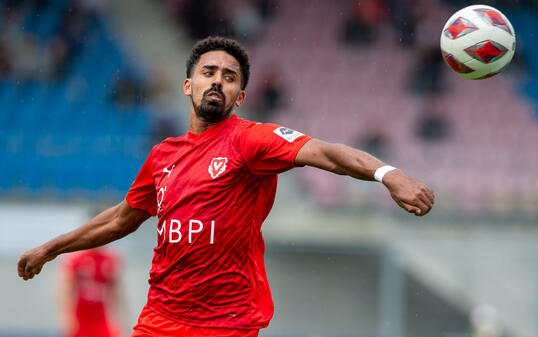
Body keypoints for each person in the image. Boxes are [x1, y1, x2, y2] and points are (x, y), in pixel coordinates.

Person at [18, 36, 434, 337]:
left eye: (229, 77)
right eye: (208, 72)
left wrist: (389, 175)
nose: (218, 81)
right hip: (160, 319)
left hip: (226, 323)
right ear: (188, 85)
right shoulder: (163, 154)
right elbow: (121, 219)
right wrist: (50, 248)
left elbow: (324, 153)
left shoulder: (251, 141)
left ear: (239, 96)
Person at [57, 246, 125, 337]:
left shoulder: (110, 258)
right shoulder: (75, 258)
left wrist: (118, 319)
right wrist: (67, 318)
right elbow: (65, 290)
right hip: (80, 318)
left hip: (101, 318)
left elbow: (116, 292)